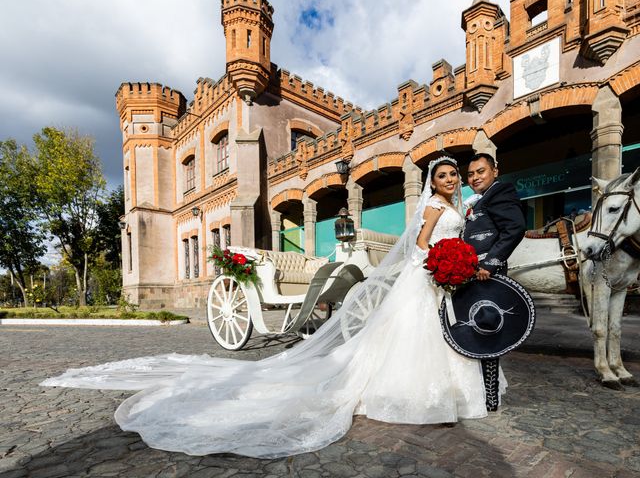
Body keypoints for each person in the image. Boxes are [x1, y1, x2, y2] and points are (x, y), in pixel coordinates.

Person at [42, 156, 495, 459]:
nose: (452, 181)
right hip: (429, 272)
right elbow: (420, 243)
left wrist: (451, 262)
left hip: (439, 277)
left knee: (434, 334)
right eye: (445, 176)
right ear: (433, 182)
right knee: (418, 334)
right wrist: (438, 262)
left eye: (455, 176)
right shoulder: (434, 206)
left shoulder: (458, 206)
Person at [463, 153, 526, 411]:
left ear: (495, 172)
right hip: (472, 275)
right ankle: (481, 390)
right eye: (471, 174)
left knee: (488, 329)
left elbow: (515, 227)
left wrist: (491, 263)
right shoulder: (480, 199)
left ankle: (490, 397)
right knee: (474, 328)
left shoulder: (500, 192)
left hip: (489, 275)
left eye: (481, 171)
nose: (475, 177)